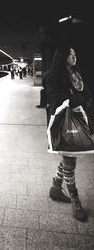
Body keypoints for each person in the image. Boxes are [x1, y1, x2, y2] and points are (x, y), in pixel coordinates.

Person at [43, 45, 93, 222]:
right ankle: (75, 199)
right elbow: (56, 101)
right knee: (70, 159)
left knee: (70, 156)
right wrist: (79, 100)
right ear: (63, 56)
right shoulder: (53, 77)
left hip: (79, 118)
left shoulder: (75, 73)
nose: (74, 57)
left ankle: (56, 187)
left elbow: (86, 94)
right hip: (62, 122)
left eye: (75, 54)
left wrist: (83, 100)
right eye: (71, 54)